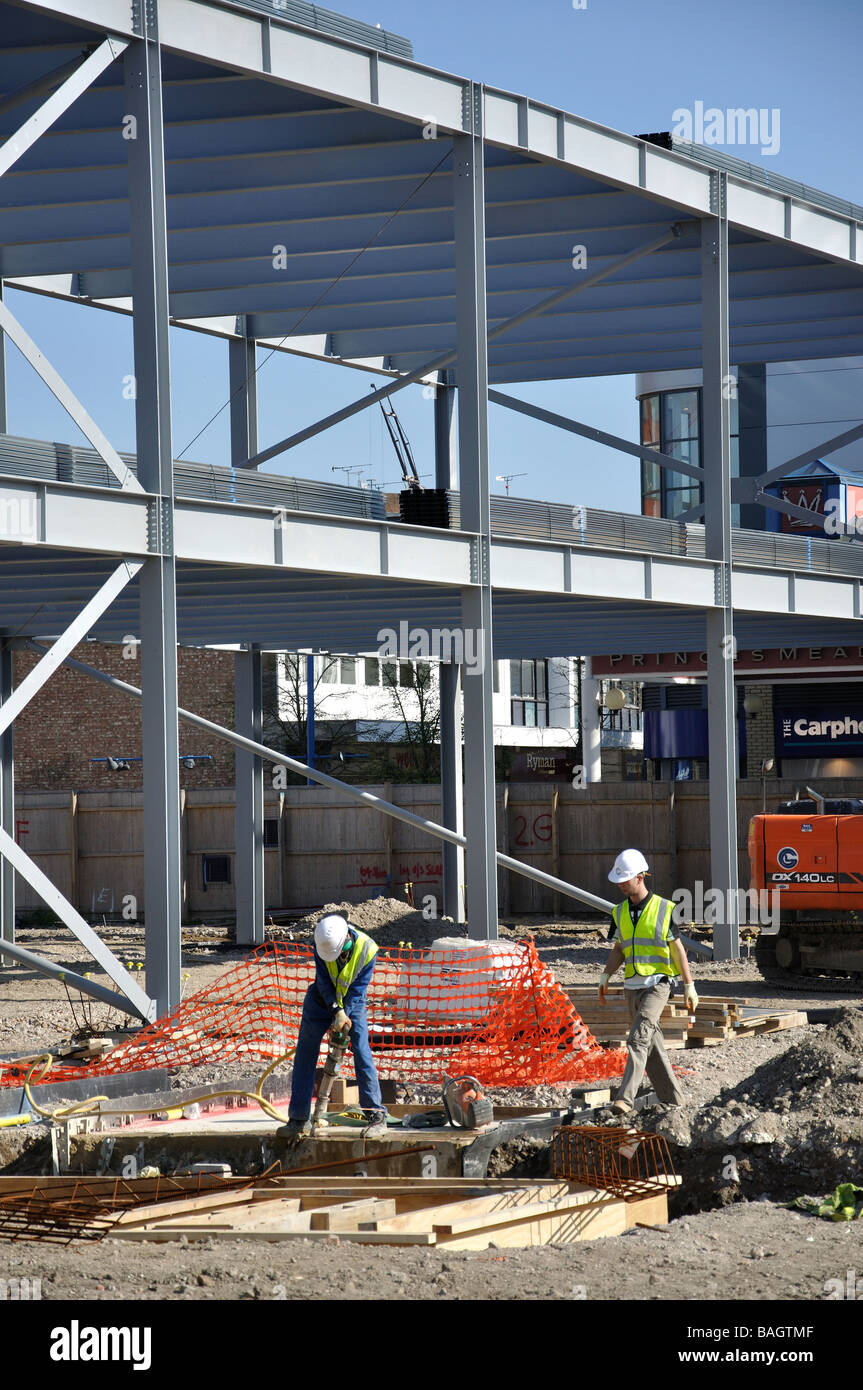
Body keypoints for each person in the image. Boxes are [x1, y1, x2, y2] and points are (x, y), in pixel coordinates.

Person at [597, 848, 699, 1116]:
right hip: (632, 986)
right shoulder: (618, 912)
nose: (620, 884)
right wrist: (606, 975)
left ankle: (625, 1100)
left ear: (641, 877)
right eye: (618, 879)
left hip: (658, 985)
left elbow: (678, 950)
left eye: (625, 879)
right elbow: (620, 948)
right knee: (651, 1045)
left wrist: (689, 985)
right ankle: (674, 1100)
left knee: (638, 1039)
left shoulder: (664, 908)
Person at [280, 913, 388, 1142]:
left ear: (347, 936)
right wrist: (335, 1011)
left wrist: (344, 1014)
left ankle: (376, 1114)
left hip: (353, 1002)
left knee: (361, 1051)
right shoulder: (322, 944)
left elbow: (358, 989)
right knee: (305, 1054)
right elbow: (323, 981)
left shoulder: (368, 949)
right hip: (320, 1000)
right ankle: (298, 1118)